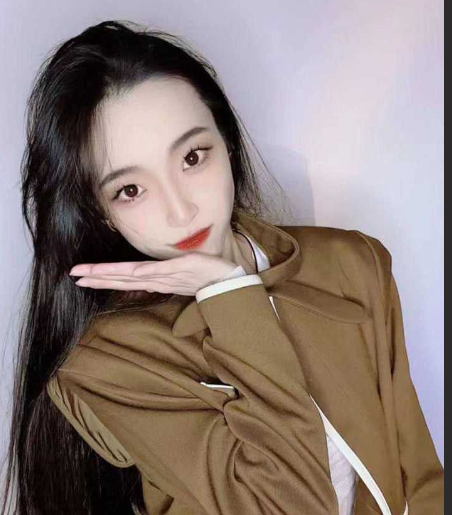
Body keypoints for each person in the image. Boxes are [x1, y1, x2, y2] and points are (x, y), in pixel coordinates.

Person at [1, 19, 444, 515]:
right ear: (100, 211)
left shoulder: (351, 263)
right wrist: (229, 293)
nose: (181, 211)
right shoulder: (105, 361)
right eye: (131, 189)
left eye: (193, 157)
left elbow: (422, 477)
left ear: (226, 141)